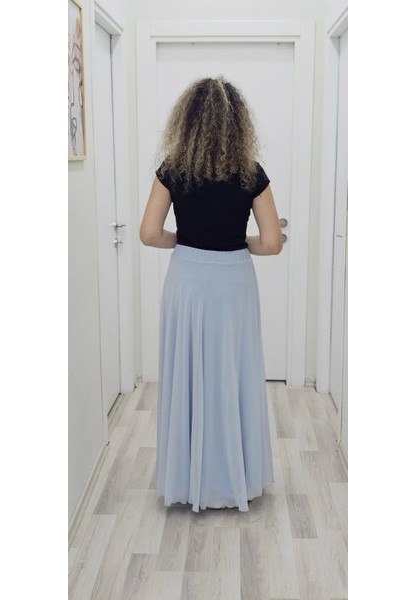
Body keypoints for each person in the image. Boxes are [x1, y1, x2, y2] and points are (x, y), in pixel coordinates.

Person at [140, 75, 284, 512]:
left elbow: (149, 234)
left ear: (186, 120)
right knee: (233, 373)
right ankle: (234, 476)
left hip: (187, 279)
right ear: (239, 123)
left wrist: (185, 241)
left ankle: (189, 480)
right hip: (234, 283)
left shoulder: (172, 170)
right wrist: (240, 244)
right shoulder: (251, 174)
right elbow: (272, 243)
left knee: (188, 373)